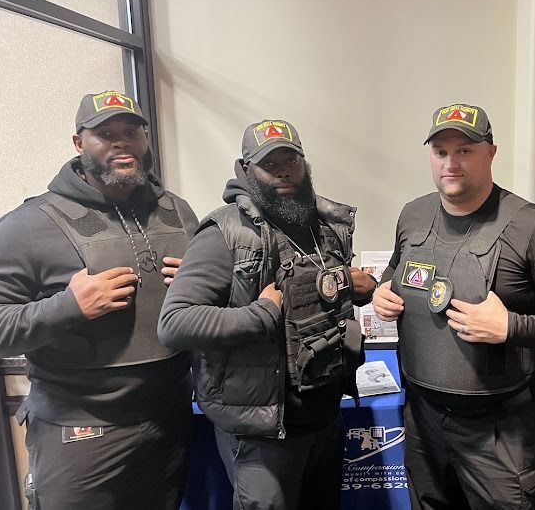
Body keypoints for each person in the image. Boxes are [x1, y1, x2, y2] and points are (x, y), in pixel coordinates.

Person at [372, 103, 535, 509]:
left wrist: (512, 328)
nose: (451, 163)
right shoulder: (413, 214)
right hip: (424, 422)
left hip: (500, 432)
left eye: (465, 151)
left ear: (491, 153)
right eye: (441, 152)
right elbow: (394, 272)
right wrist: (382, 292)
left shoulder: (534, 227)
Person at [158, 119, 376, 510]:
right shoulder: (224, 233)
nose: (281, 170)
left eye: (289, 159)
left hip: (324, 416)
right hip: (261, 432)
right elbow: (174, 323)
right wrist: (261, 314)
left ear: (303, 163)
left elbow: (325, 295)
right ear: (246, 170)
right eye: (268, 163)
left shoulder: (325, 225)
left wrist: (353, 288)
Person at [0, 91, 199, 509]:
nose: (120, 142)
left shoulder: (178, 212)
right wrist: (69, 307)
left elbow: (207, 307)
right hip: (80, 431)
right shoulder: (28, 226)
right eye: (104, 134)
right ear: (78, 144)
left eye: (131, 132)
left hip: (169, 418)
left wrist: (202, 287)